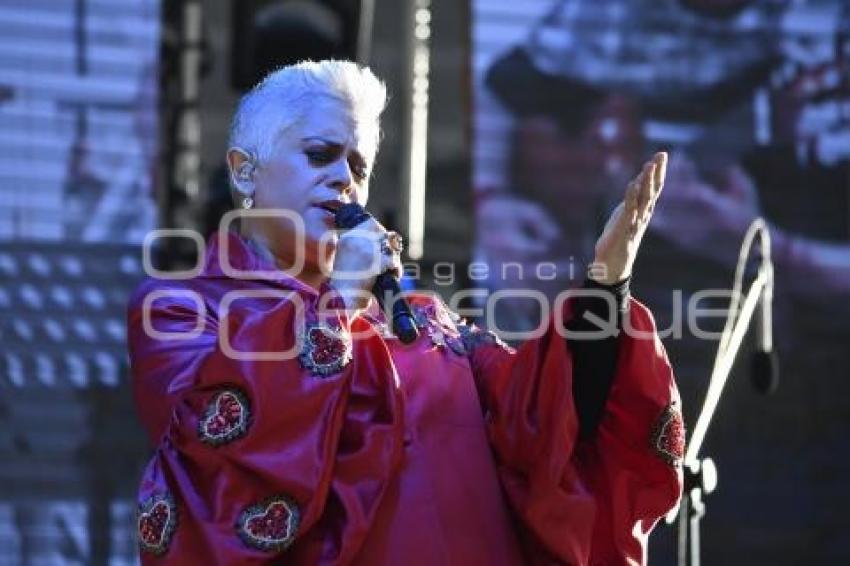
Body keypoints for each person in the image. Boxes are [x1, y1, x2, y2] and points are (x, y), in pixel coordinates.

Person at [127, 60, 683, 565]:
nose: (344, 178)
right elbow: (209, 463)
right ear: (245, 172)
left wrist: (606, 285)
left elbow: (543, 420)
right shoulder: (182, 308)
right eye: (320, 155)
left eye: (358, 166)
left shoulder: (424, 320)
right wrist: (339, 299)